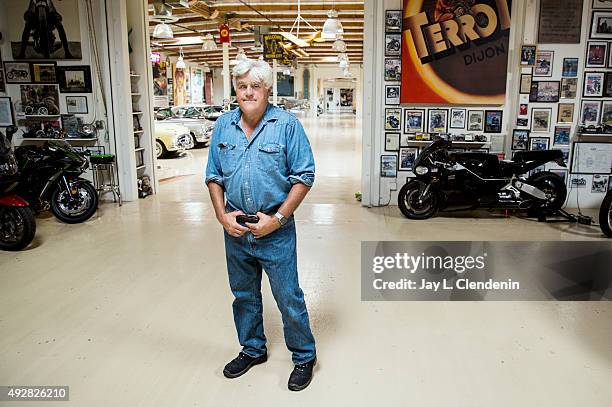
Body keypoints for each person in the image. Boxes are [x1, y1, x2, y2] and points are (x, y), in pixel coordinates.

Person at [205, 57, 317, 391]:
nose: (249, 92)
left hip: (275, 232)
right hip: (236, 230)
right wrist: (221, 215)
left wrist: (278, 219)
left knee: (287, 296)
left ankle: (304, 355)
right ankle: (253, 348)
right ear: (235, 90)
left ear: (268, 89)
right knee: (243, 295)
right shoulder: (224, 126)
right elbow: (213, 176)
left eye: (255, 86)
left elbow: (305, 176)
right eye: (242, 86)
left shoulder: (286, 126)